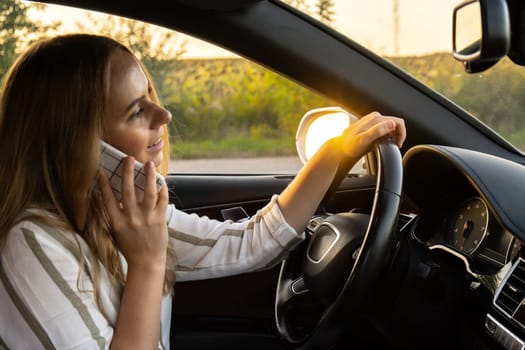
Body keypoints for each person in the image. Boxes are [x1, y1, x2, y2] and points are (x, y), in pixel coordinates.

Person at [0, 34, 405, 349]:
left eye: (151, 98)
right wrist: (146, 264)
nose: (165, 115)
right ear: (77, 145)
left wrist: (336, 151)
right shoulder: (30, 246)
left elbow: (253, 243)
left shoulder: (122, 212)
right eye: (137, 111)